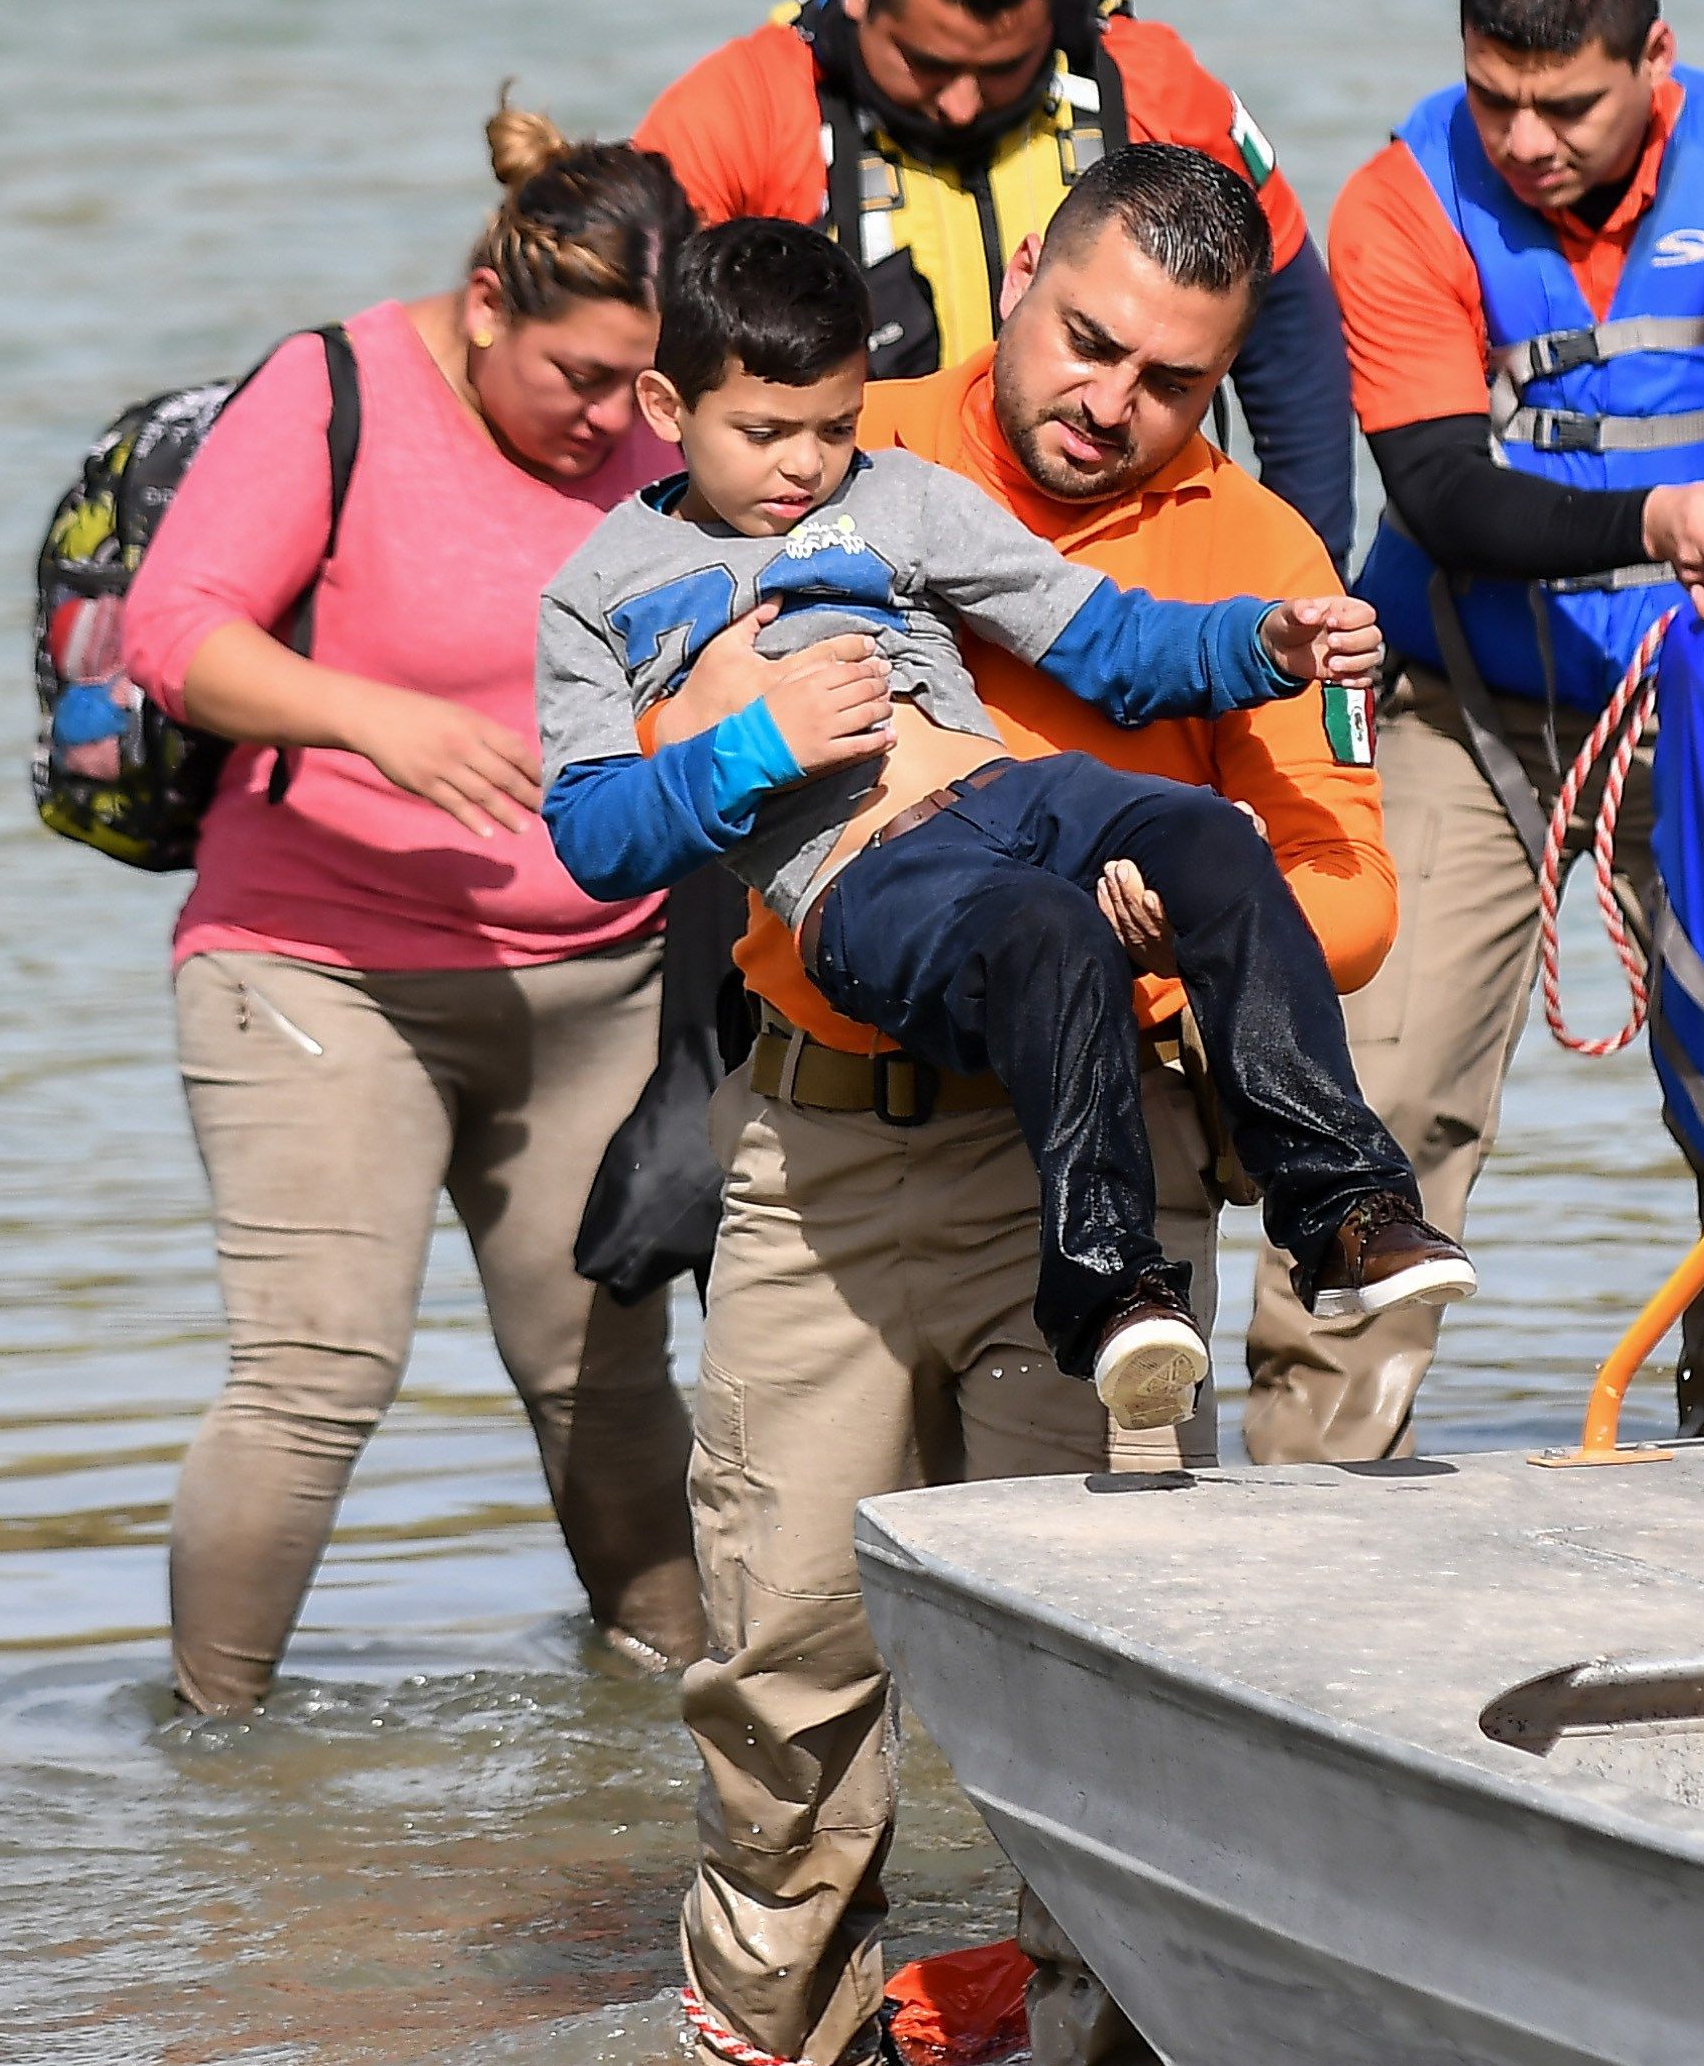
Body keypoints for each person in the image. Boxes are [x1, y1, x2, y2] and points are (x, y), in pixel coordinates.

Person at [575, 146, 1399, 2066]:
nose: (1110, 401)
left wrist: (1166, 953)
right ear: (1017, 276)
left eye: (1171, 379)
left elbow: (1342, 895)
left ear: (1224, 385)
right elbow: (617, 798)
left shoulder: (1255, 542)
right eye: (1088, 341)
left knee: (1102, 1645)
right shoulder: (854, 438)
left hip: (1091, 1124)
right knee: (780, 1663)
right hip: (823, 1154)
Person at [538, 214, 1466, 1423]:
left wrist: (1261, 642)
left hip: (1008, 794)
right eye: (764, 434)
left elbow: (1105, 637)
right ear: (666, 407)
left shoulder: (899, 492)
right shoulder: (596, 589)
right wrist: (757, 746)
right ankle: (1107, 1283)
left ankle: (1340, 1209)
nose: (805, 467)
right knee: (1042, 928)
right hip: (866, 881)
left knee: (1208, 837)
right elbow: (595, 836)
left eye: (832, 429)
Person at [1242, 0, 1704, 1462]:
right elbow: (1444, 494)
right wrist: (1653, 513)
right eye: (1494, 96)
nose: (1524, 138)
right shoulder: (1403, 199)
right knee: (1383, 1099)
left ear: (1652, 61)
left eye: (1566, 103)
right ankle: (1310, 1476)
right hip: (1457, 707)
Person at [120, 100, 707, 1713]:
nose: (606, 419)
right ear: (490, 300)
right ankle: (213, 1750)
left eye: (640, 385)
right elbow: (173, 632)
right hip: (321, 970)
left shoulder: (664, 431)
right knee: (317, 1371)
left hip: (599, 983)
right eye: (576, 375)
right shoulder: (339, 387)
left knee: (604, 1379)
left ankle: (674, 1711)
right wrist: (371, 715)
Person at [634, 0, 1356, 564]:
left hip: (1125, 574)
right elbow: (637, 384)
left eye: (1006, 68)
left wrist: (1306, 570)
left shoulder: (1156, 89)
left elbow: (1291, 341)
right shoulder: (735, 114)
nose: (961, 104)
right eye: (928, 62)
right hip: (856, 575)